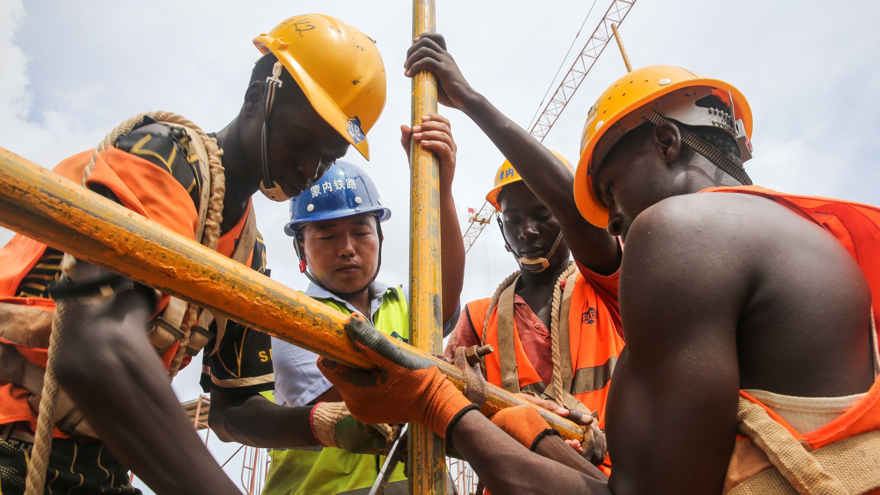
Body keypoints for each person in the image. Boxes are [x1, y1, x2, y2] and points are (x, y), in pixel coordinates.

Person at [317, 34, 880, 495]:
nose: (609, 219)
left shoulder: (684, 236)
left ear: (665, 142)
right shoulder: (808, 236)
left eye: (609, 190)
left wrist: (438, 407)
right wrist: (529, 432)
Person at [0, 14, 386, 495]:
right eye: (299, 141)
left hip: (100, 460)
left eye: (327, 157)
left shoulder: (247, 252)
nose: (309, 168)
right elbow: (94, 347)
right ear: (254, 101)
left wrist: (324, 425)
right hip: (15, 437)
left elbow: (233, 408)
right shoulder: (165, 155)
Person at [255, 115, 463, 495]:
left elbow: (444, 294)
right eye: (328, 235)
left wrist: (440, 187)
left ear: (381, 235)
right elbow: (368, 400)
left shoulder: (404, 302)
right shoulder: (289, 319)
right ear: (301, 248)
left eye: (361, 232)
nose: (347, 248)